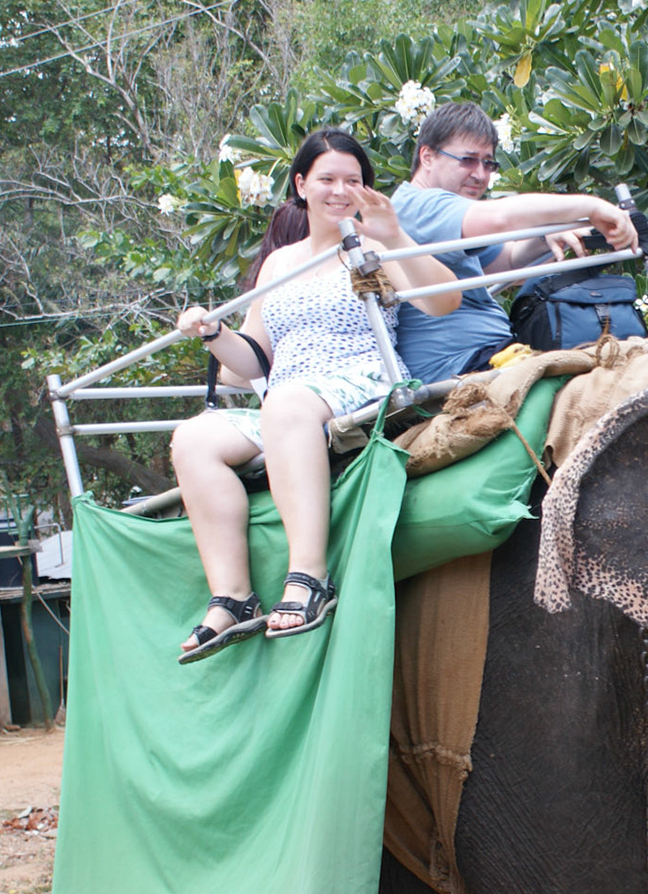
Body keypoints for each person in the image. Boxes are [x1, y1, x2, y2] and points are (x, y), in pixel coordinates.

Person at [171, 128, 459, 663]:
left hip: (361, 381)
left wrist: (395, 236)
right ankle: (232, 596)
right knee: (191, 437)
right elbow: (255, 361)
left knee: (286, 404)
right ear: (302, 184)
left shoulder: (373, 247)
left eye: (353, 180)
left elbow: (444, 301)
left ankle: (310, 576)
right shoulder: (280, 263)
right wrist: (213, 333)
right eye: (326, 178)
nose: (339, 190)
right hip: (290, 395)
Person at [390, 100, 640, 383]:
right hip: (461, 364)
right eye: (468, 160)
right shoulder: (417, 205)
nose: (480, 175)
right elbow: (497, 219)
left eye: (488, 163)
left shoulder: (442, 215)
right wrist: (591, 207)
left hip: (494, 351)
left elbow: (505, 262)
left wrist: (546, 238)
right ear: (427, 157)